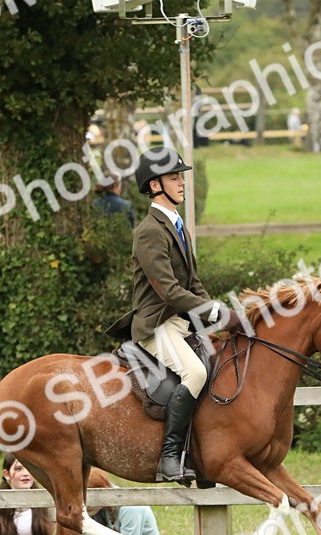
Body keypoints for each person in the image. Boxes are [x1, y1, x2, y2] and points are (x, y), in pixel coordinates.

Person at [105, 147, 225, 486]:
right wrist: (213, 310)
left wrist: (219, 314)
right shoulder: (149, 230)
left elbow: (193, 283)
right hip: (155, 324)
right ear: (155, 185)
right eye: (174, 177)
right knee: (195, 372)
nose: (182, 182)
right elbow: (169, 291)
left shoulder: (176, 224)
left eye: (180, 177)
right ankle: (169, 458)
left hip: (180, 321)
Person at [84, 469, 163, 535]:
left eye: (89, 498)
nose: (86, 505)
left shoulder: (131, 507)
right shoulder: (97, 509)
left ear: (102, 492)